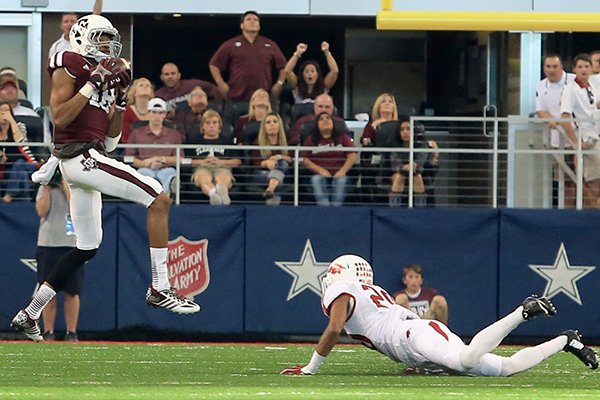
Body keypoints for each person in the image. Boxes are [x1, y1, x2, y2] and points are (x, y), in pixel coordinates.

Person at [11, 14, 199, 342]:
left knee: (87, 247)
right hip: (80, 158)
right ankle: (161, 287)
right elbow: (60, 116)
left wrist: (120, 98)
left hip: (89, 157)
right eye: (100, 38)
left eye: (110, 39)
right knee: (159, 197)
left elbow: (111, 141)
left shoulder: (106, 77)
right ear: (83, 39)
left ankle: (30, 313)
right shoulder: (69, 64)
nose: (107, 46)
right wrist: (92, 83)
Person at [280, 254, 599, 376]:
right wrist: (425, 366)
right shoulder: (368, 293)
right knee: (506, 368)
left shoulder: (343, 290)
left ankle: (522, 312)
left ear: (341, 274)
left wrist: (310, 368)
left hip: (414, 336)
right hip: (416, 341)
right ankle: (566, 341)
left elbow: (335, 329)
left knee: (467, 360)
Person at [209, 10, 287, 127]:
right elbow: (214, 64)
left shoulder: (269, 45)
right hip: (236, 98)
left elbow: (283, 66)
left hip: (263, 100)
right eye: (248, 19)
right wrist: (221, 83)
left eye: (255, 20)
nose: (252, 22)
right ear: (242, 25)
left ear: (259, 25)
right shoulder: (231, 44)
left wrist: (279, 83)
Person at [35, 172, 83, 342]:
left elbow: (77, 209)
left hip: (70, 244)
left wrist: (65, 187)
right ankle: (48, 331)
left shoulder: (75, 186)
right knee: (48, 290)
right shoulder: (44, 187)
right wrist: (47, 188)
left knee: (72, 291)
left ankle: (72, 332)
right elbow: (41, 211)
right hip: (48, 244)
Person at [535, 54, 576, 207]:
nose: (551, 70)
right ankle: (566, 210)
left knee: (586, 179)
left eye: (554, 67)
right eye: (548, 67)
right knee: (563, 180)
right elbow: (540, 110)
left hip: (578, 137)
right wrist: (551, 120)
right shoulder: (541, 85)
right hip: (557, 140)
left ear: (561, 67)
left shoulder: (573, 81)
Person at [560, 53, 600, 208]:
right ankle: (593, 214)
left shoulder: (590, 87)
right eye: (580, 67)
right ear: (574, 69)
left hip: (594, 136)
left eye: (587, 66)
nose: (584, 70)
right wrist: (576, 143)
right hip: (585, 140)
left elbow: (592, 107)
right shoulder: (570, 90)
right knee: (593, 180)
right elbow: (565, 117)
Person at [126, 98, 182, 197]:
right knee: (143, 175)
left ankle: (166, 198)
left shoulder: (174, 134)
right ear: (148, 113)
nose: (157, 116)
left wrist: (161, 159)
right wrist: (144, 163)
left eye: (161, 113)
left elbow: (180, 158)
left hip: (166, 169)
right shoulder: (136, 133)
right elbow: (129, 157)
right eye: (154, 112)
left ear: (165, 115)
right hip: (144, 169)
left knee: (171, 174)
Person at [302, 112, 356, 206]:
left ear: (333, 123)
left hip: (340, 173)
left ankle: (335, 209)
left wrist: (342, 171)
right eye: (321, 119)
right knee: (316, 180)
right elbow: (305, 159)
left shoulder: (342, 137)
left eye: (328, 118)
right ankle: (325, 208)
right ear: (317, 124)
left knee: (341, 181)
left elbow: (352, 155)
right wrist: (320, 170)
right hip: (319, 174)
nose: (325, 120)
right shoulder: (311, 139)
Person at [188, 110, 241, 205]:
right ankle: (213, 194)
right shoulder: (194, 141)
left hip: (222, 167)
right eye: (207, 123)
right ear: (202, 126)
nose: (211, 126)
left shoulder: (227, 141)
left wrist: (221, 162)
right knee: (204, 177)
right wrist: (202, 162)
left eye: (214, 123)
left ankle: (222, 192)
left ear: (219, 126)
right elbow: (187, 160)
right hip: (202, 167)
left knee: (222, 177)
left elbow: (237, 161)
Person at [0, 100, 40, 202]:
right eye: (1, 111)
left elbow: (21, 143)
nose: (4, 114)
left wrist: (11, 120)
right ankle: (25, 203)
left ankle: (9, 195)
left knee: (19, 164)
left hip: (28, 163)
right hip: (9, 168)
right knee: (21, 175)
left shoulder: (19, 126)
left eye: (7, 111)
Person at [250, 112, 292, 205]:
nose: (272, 124)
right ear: (264, 126)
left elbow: (292, 159)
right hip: (262, 174)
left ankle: (270, 190)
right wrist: (266, 163)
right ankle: (271, 190)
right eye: (268, 122)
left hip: (283, 174)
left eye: (275, 121)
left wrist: (279, 157)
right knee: (279, 179)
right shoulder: (257, 143)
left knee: (283, 164)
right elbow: (255, 162)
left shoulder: (287, 143)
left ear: (279, 125)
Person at [386, 116, 428, 207]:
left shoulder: (422, 144)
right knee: (399, 176)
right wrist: (404, 167)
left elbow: (421, 161)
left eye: (408, 129)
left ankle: (420, 211)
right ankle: (394, 211)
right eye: (402, 129)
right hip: (397, 172)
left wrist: (414, 166)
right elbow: (394, 163)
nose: (405, 132)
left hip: (417, 172)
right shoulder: (394, 144)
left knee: (418, 177)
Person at [121, 77, 154, 146]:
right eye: (141, 85)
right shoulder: (127, 111)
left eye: (147, 85)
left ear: (151, 92)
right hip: (131, 149)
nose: (145, 87)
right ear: (134, 92)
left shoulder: (156, 110)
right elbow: (125, 137)